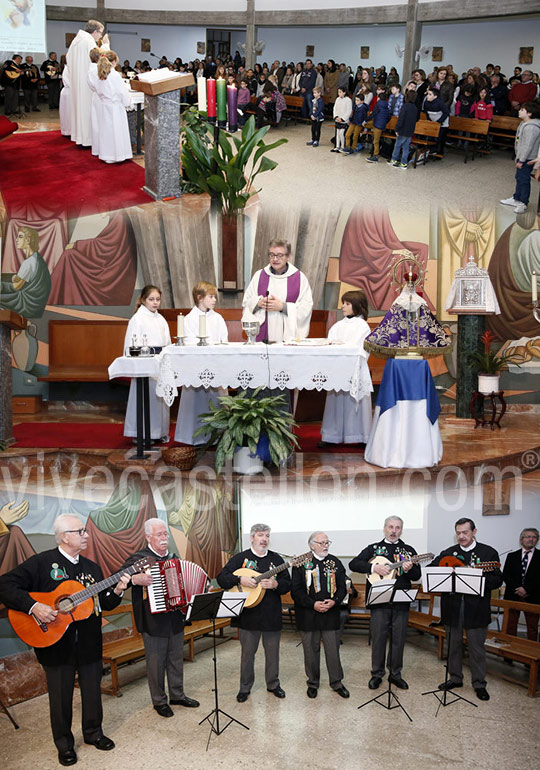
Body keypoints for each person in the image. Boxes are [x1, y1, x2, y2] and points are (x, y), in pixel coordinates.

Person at [0, 514, 130, 765]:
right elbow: (5, 585)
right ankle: (64, 744)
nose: (86, 535)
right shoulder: (42, 562)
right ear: (63, 536)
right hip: (55, 645)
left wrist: (117, 589)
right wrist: (34, 606)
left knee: (93, 691)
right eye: (80, 531)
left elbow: (104, 603)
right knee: (60, 698)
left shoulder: (92, 568)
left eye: (85, 531)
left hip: (90, 643)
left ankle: (93, 733)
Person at [122, 518, 200, 717]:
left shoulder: (174, 558)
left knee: (176, 658)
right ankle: (159, 701)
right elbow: (119, 579)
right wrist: (134, 579)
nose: (164, 538)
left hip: (175, 618)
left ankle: (177, 695)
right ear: (148, 537)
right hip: (152, 621)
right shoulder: (138, 559)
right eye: (159, 534)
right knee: (156, 662)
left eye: (165, 534)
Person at [430, 518, 503, 701]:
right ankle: (455, 678)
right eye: (458, 532)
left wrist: (476, 578)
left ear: (474, 531)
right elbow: (432, 570)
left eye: (465, 532)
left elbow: (497, 580)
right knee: (453, 645)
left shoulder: (488, 552)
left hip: (476, 608)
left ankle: (479, 684)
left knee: (476, 648)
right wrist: (447, 573)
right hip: (452, 607)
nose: (461, 536)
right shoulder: (448, 552)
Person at [217, 523, 290, 702]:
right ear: (252, 538)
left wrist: (276, 584)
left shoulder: (277, 560)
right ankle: (245, 687)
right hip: (248, 616)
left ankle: (273, 684)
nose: (264, 539)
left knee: (273, 654)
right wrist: (239, 578)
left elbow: (288, 584)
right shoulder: (240, 559)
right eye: (260, 535)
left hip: (271, 615)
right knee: (247, 654)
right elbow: (221, 578)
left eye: (266, 536)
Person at [349, 516, 421, 690]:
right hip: (379, 600)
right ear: (384, 528)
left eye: (397, 528)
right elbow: (354, 564)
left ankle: (395, 674)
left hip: (400, 601)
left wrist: (410, 569)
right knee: (379, 638)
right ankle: (377, 674)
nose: (394, 531)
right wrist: (373, 568)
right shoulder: (373, 548)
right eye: (390, 527)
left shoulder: (408, 550)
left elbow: (416, 575)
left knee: (399, 639)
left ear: (401, 530)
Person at [291, 532, 349, 699]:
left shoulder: (335, 562)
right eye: (322, 542)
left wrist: (334, 601)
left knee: (333, 650)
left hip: (330, 614)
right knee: (310, 650)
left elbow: (342, 587)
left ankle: (337, 683)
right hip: (308, 614)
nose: (326, 545)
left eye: (327, 542)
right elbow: (296, 590)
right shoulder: (300, 563)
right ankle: (313, 683)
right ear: (311, 545)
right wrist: (313, 604)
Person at [174, 281, 228, 445]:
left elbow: (223, 340)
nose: (214, 300)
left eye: (215, 297)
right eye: (211, 297)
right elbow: (189, 344)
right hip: (196, 369)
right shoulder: (189, 319)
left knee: (216, 400)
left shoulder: (217, 318)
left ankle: (217, 436)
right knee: (195, 403)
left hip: (215, 367)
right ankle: (193, 436)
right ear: (199, 298)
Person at [319, 290, 373, 446]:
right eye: (343, 303)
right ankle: (332, 436)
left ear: (357, 306)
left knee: (356, 404)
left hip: (356, 370)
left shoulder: (363, 326)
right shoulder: (337, 326)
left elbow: (360, 349)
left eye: (347, 304)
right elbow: (330, 344)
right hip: (337, 370)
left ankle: (360, 436)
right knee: (335, 404)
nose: (343, 306)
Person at [123, 285, 171, 443]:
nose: (155, 303)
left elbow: (167, 343)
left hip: (160, 364)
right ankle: (143, 433)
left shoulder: (161, 319)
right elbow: (131, 344)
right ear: (143, 300)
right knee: (146, 398)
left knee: (159, 399)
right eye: (151, 299)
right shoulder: (138, 319)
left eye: (158, 299)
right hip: (145, 364)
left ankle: (159, 432)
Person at [242, 238, 313, 343]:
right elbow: (246, 302)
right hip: (261, 336)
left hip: (288, 338)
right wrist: (258, 303)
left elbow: (306, 307)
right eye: (272, 255)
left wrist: (283, 307)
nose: (275, 259)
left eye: (280, 255)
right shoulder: (259, 276)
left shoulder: (299, 278)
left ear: (288, 256)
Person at [66, 19, 109, 147]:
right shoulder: (88, 41)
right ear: (95, 32)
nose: (100, 36)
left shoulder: (76, 41)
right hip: (87, 85)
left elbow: (69, 61)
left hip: (77, 81)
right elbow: (98, 59)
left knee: (79, 109)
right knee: (87, 109)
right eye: (100, 33)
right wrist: (106, 45)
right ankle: (88, 139)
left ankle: (80, 136)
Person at [0, 226, 51, 318]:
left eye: (20, 237)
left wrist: (1, 285)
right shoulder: (37, 258)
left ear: (28, 240)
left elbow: (15, 287)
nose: (16, 240)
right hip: (36, 304)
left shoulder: (29, 262)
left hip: (28, 305)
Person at [499, 102, 540, 215]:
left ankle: (523, 202)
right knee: (519, 177)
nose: (519, 111)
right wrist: (518, 155)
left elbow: (528, 145)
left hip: (528, 158)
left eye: (522, 110)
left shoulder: (532, 127)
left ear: (530, 113)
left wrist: (522, 159)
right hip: (522, 156)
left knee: (524, 180)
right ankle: (516, 198)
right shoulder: (524, 123)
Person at [95, 50, 132, 163]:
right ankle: (117, 155)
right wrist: (128, 102)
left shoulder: (101, 74)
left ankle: (107, 154)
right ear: (114, 61)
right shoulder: (115, 75)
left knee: (106, 131)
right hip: (115, 107)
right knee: (116, 131)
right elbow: (122, 92)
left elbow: (98, 90)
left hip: (105, 105)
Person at [502, 528, 540, 641]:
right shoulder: (511, 556)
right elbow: (506, 575)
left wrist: (526, 589)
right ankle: (508, 655)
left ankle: (531, 653)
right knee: (510, 626)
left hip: (533, 597)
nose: (531, 539)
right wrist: (517, 589)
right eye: (528, 536)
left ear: (537, 540)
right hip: (513, 595)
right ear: (521, 539)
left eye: (534, 537)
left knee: (532, 628)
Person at [388, 89, 418, 169]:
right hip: (410, 131)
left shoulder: (405, 107)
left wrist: (397, 128)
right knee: (406, 147)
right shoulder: (415, 108)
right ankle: (403, 163)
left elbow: (401, 119)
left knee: (397, 145)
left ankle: (394, 159)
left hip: (402, 130)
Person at [366, 88, 391, 163]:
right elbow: (388, 117)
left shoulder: (378, 105)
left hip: (377, 125)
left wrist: (365, 120)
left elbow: (373, 114)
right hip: (380, 125)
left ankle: (375, 156)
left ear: (379, 98)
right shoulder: (387, 107)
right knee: (376, 139)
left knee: (375, 141)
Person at [332, 86, 352, 153]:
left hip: (343, 120)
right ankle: (337, 146)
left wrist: (342, 119)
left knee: (341, 134)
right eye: (338, 92)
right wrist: (336, 116)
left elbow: (348, 111)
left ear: (344, 92)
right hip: (337, 119)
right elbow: (335, 108)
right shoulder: (337, 99)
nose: (339, 93)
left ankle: (342, 146)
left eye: (340, 92)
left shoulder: (348, 100)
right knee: (337, 133)